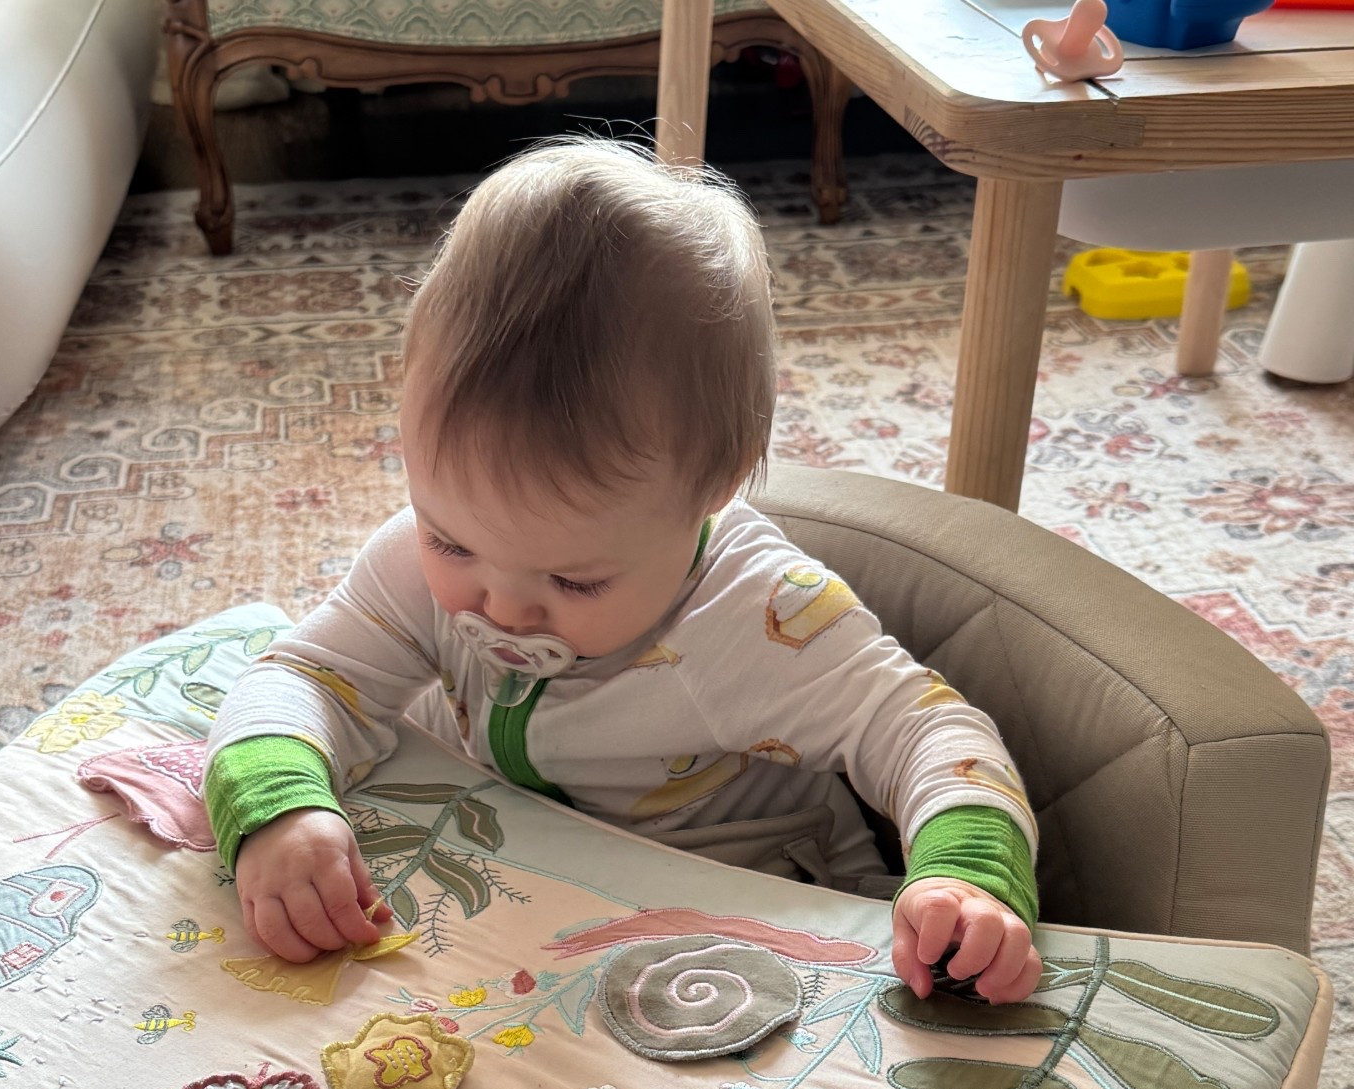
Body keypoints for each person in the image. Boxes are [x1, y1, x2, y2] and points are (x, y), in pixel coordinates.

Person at [202, 138, 1042, 1004]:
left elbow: (930, 734)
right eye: (451, 542)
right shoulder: (410, 567)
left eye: (574, 582)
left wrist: (965, 878)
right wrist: (280, 807)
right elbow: (303, 674)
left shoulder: (758, 619)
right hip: (508, 894)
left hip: (727, 936)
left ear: (711, 490)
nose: (500, 608)